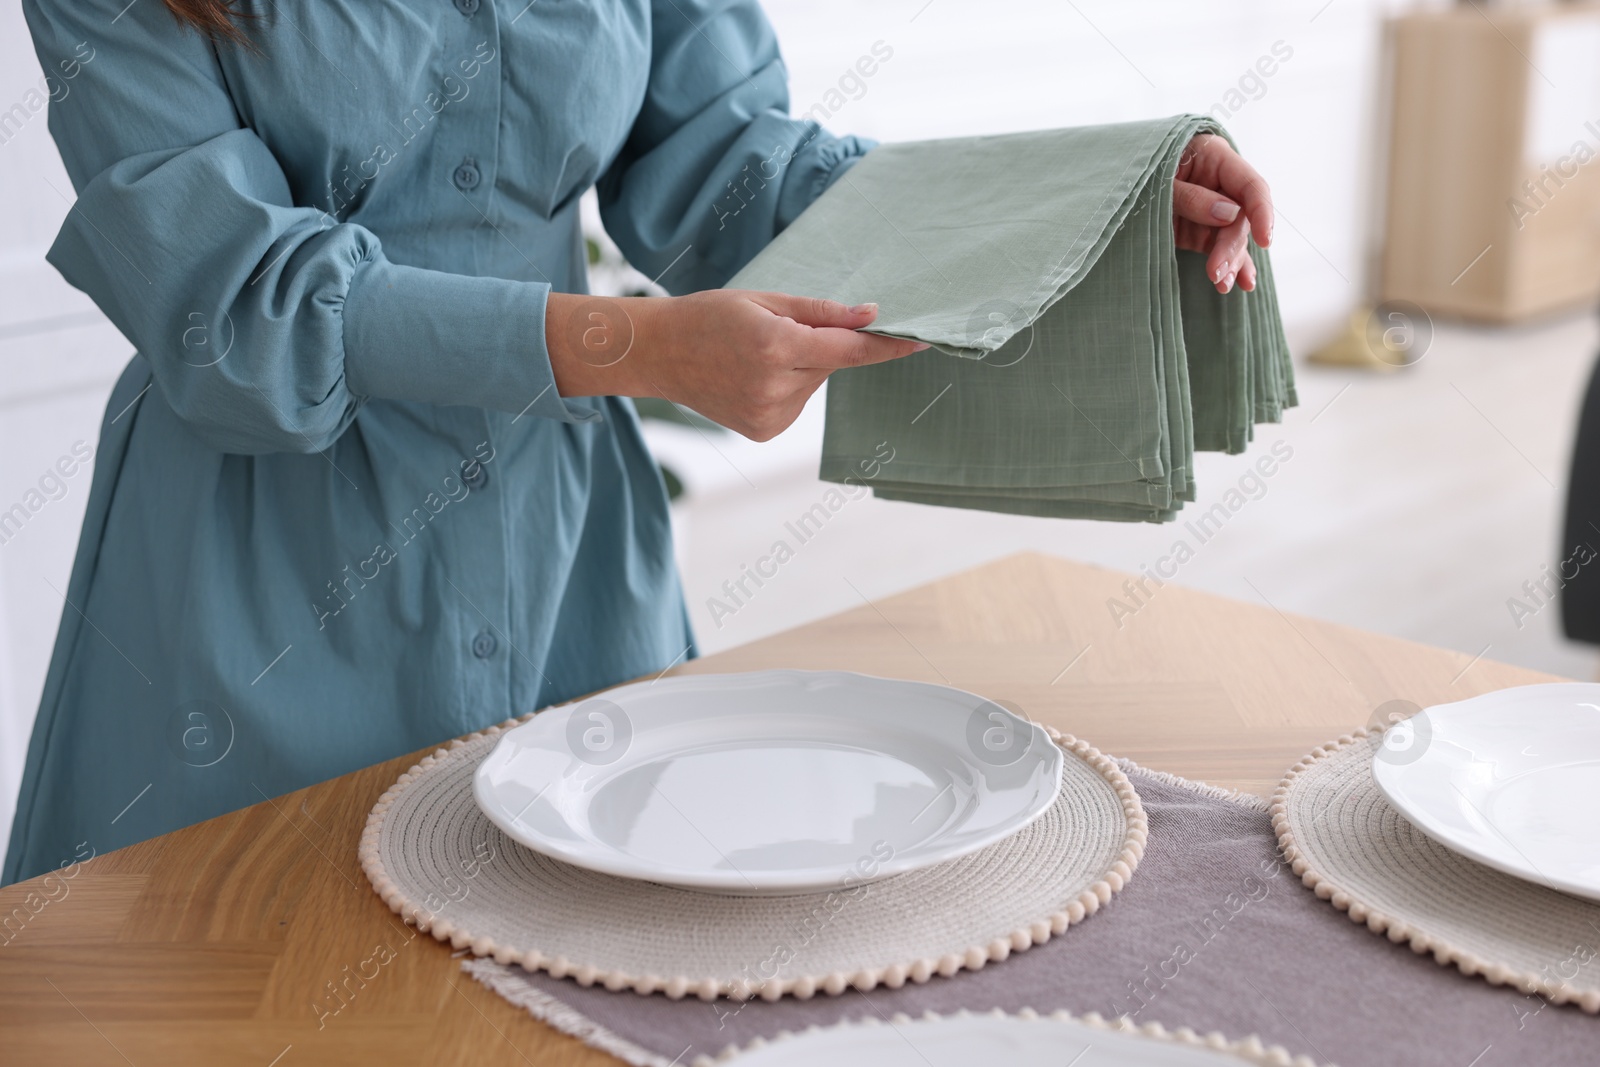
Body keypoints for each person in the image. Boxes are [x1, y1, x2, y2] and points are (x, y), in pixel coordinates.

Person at [4, 0, 1273, 885]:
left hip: (570, 563)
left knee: (592, 985)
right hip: (249, 594)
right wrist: (638, 347)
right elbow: (233, 300)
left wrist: (1084, 212)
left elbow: (726, 167)